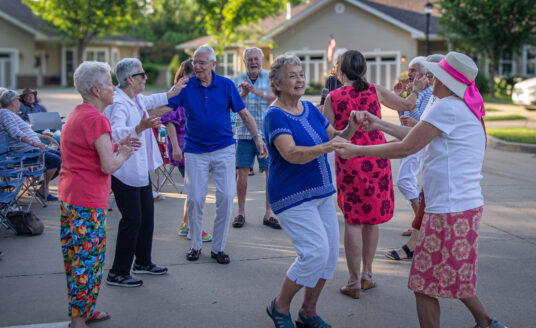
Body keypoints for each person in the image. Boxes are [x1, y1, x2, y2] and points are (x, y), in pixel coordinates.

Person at [333, 51, 507, 328]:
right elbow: (414, 137)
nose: (430, 79)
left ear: (448, 82)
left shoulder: (446, 107)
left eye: (435, 75)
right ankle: (486, 322)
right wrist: (378, 123)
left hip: (448, 209)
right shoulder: (461, 105)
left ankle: (486, 322)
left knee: (423, 284)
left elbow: (406, 148)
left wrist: (357, 149)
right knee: (455, 276)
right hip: (462, 206)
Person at [263, 54, 358, 328]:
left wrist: (350, 127)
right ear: (278, 84)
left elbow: (336, 137)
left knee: (328, 257)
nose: (299, 79)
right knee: (314, 252)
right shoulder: (274, 115)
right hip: (291, 197)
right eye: (292, 75)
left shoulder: (311, 109)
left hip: (321, 193)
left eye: (301, 74)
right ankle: (279, 305)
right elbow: (291, 153)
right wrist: (328, 147)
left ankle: (308, 312)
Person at [166, 46, 267, 264]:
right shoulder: (185, 87)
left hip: (223, 149)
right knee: (195, 198)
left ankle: (218, 248)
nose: (197, 66)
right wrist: (140, 115)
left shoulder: (226, 85)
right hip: (195, 151)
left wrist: (258, 137)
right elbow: (165, 108)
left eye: (202, 62)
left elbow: (243, 113)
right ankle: (195, 245)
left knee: (224, 196)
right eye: (195, 62)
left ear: (213, 64)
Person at [57, 61, 138, 328]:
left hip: (71, 198)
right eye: (108, 83)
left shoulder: (78, 114)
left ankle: (84, 311)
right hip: (87, 202)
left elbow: (89, 150)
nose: (114, 87)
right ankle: (78, 321)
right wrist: (124, 153)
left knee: (77, 259)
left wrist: (116, 144)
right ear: (95, 90)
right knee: (88, 263)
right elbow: (108, 165)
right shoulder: (96, 118)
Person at [104, 58, 182, 287]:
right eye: (142, 74)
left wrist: (173, 92)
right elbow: (116, 131)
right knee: (132, 220)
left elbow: (151, 99)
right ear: (129, 79)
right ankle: (118, 272)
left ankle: (143, 262)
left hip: (138, 170)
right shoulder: (119, 103)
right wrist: (139, 128)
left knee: (147, 217)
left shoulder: (134, 98)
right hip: (124, 171)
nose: (146, 78)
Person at [323, 50, 394, 299]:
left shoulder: (333, 96)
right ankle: (367, 274)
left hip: (349, 156)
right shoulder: (376, 90)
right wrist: (415, 88)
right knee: (371, 219)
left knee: (353, 219)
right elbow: (407, 105)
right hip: (377, 155)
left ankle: (353, 281)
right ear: (363, 69)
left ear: (340, 71)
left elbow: (330, 133)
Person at [386, 54, 445, 261]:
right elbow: (406, 123)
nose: (409, 74)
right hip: (414, 140)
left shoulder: (432, 92)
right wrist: (401, 99)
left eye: (414, 70)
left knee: (404, 181)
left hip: (421, 143)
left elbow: (424, 122)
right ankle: (418, 227)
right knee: (415, 186)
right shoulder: (418, 91)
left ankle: (419, 229)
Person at [162, 59, 212, 242]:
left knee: (193, 189)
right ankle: (193, 228)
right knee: (195, 191)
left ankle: (186, 224)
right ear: (185, 76)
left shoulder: (192, 91)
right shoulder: (177, 93)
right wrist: (175, 147)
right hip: (183, 148)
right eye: (195, 76)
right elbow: (169, 121)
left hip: (194, 147)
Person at [232, 47, 279, 229]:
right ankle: (241, 212)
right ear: (244, 62)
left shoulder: (271, 78)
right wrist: (243, 93)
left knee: (270, 173)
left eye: (256, 59)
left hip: (267, 133)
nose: (253, 62)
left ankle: (269, 213)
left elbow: (276, 99)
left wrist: (255, 91)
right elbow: (232, 106)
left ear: (262, 60)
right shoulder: (237, 80)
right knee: (242, 173)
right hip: (244, 133)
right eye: (249, 59)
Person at [0, 90, 61, 201]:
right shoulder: (5, 113)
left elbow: (28, 132)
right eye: (18, 100)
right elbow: (16, 133)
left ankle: (43, 187)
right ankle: (44, 189)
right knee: (56, 160)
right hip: (28, 151)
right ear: (12, 102)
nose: (19, 103)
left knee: (63, 157)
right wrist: (35, 143)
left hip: (34, 148)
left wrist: (44, 137)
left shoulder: (11, 114)